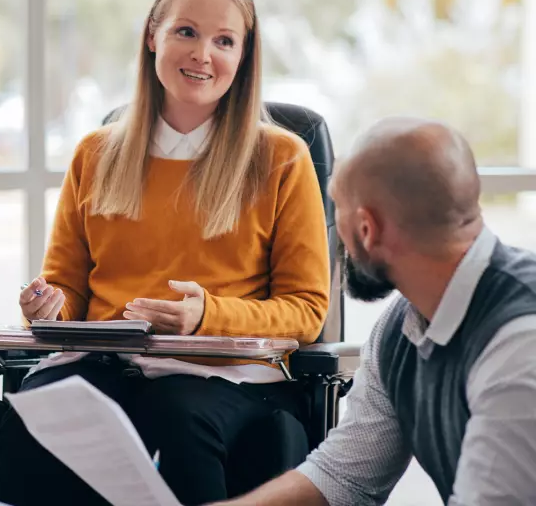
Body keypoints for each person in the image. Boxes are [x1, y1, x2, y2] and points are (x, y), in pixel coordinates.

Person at [0, 0, 330, 506]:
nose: (203, 54)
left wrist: (207, 316)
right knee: (35, 414)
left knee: (177, 418)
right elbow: (69, 289)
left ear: (243, 57)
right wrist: (49, 307)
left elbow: (307, 309)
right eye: (186, 32)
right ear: (153, 35)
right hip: (109, 364)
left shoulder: (282, 157)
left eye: (225, 40)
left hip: (228, 377)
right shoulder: (96, 153)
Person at [212, 116, 536, 506]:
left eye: (338, 209)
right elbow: (343, 477)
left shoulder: (520, 344)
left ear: (366, 228)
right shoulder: (403, 325)